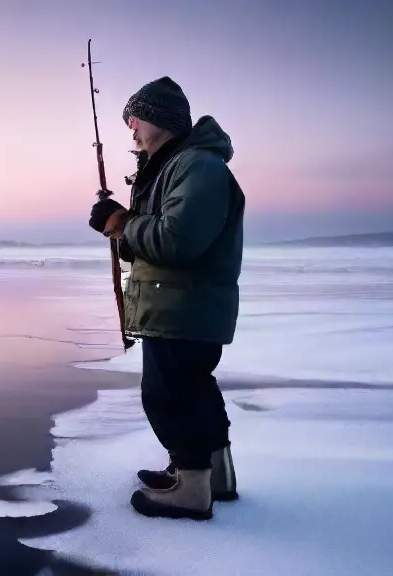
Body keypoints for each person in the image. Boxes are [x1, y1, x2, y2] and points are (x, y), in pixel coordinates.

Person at [87, 76, 245, 521]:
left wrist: (122, 224)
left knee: (169, 394)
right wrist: (120, 225)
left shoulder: (197, 166)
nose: (131, 130)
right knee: (193, 388)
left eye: (135, 119)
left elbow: (178, 241)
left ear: (159, 119)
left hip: (183, 307)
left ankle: (192, 491)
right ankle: (213, 477)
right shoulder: (174, 166)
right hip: (178, 304)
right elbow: (154, 239)